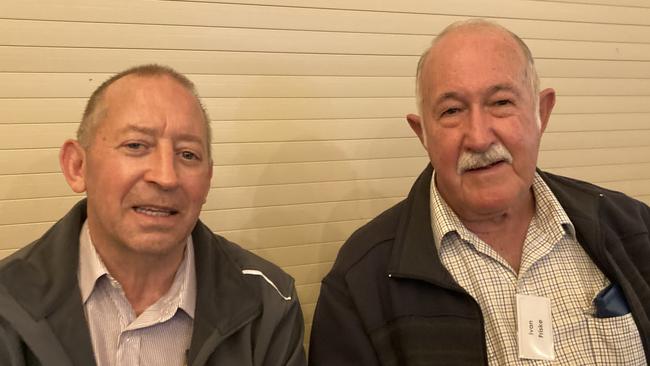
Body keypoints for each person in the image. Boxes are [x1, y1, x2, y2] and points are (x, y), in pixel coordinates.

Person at [309, 19, 650, 365]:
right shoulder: (361, 281)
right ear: (422, 133)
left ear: (541, 114)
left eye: (501, 103)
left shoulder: (631, 227)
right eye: (452, 111)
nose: (479, 138)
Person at [0, 64, 306, 366]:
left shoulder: (268, 304)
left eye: (188, 154)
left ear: (208, 178)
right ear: (77, 166)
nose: (166, 177)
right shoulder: (9, 303)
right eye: (136, 145)